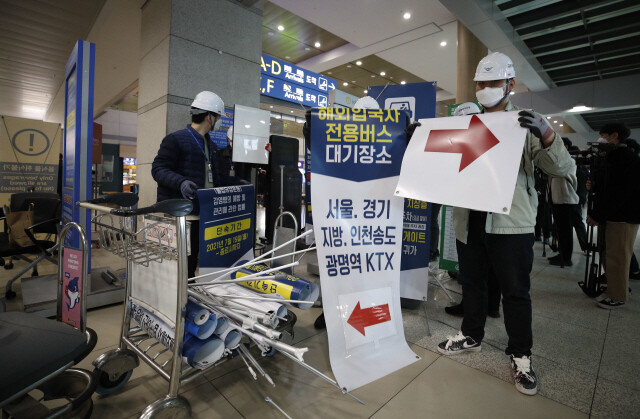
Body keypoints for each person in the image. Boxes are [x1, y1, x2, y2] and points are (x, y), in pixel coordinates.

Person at [436, 52, 572, 396]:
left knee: (514, 292)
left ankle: (521, 353)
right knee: (473, 283)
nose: (484, 89)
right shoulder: (466, 122)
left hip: (511, 224)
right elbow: (444, 163)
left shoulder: (523, 125)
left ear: (510, 85)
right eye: (480, 83)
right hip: (471, 221)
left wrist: (547, 135)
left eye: (492, 83)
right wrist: (422, 140)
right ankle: (472, 334)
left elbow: (561, 169)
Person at [152, 90, 235, 278]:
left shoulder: (211, 145)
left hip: (203, 213)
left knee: (195, 260)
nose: (220, 121)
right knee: (182, 263)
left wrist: (241, 184)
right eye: (218, 117)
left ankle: (189, 296)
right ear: (209, 117)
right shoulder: (176, 139)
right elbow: (158, 169)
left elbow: (218, 178)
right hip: (183, 216)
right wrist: (181, 183)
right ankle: (180, 302)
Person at [444, 102, 500, 319]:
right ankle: (482, 305)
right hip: (479, 214)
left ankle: (482, 306)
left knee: (482, 264)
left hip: (485, 214)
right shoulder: (465, 147)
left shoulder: (490, 145)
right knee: (479, 264)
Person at [587, 124, 640, 308]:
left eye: (603, 136)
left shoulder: (625, 158)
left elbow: (618, 192)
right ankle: (617, 288)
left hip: (623, 216)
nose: (601, 139)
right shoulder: (616, 157)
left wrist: (598, 214)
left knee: (618, 256)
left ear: (614, 136)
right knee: (611, 254)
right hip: (616, 214)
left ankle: (618, 296)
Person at [547, 137, 582, 266]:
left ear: (565, 146)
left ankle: (566, 258)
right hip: (557, 199)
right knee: (560, 230)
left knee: (566, 231)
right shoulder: (557, 160)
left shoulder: (570, 160)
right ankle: (562, 253)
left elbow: (557, 169)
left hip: (566, 200)